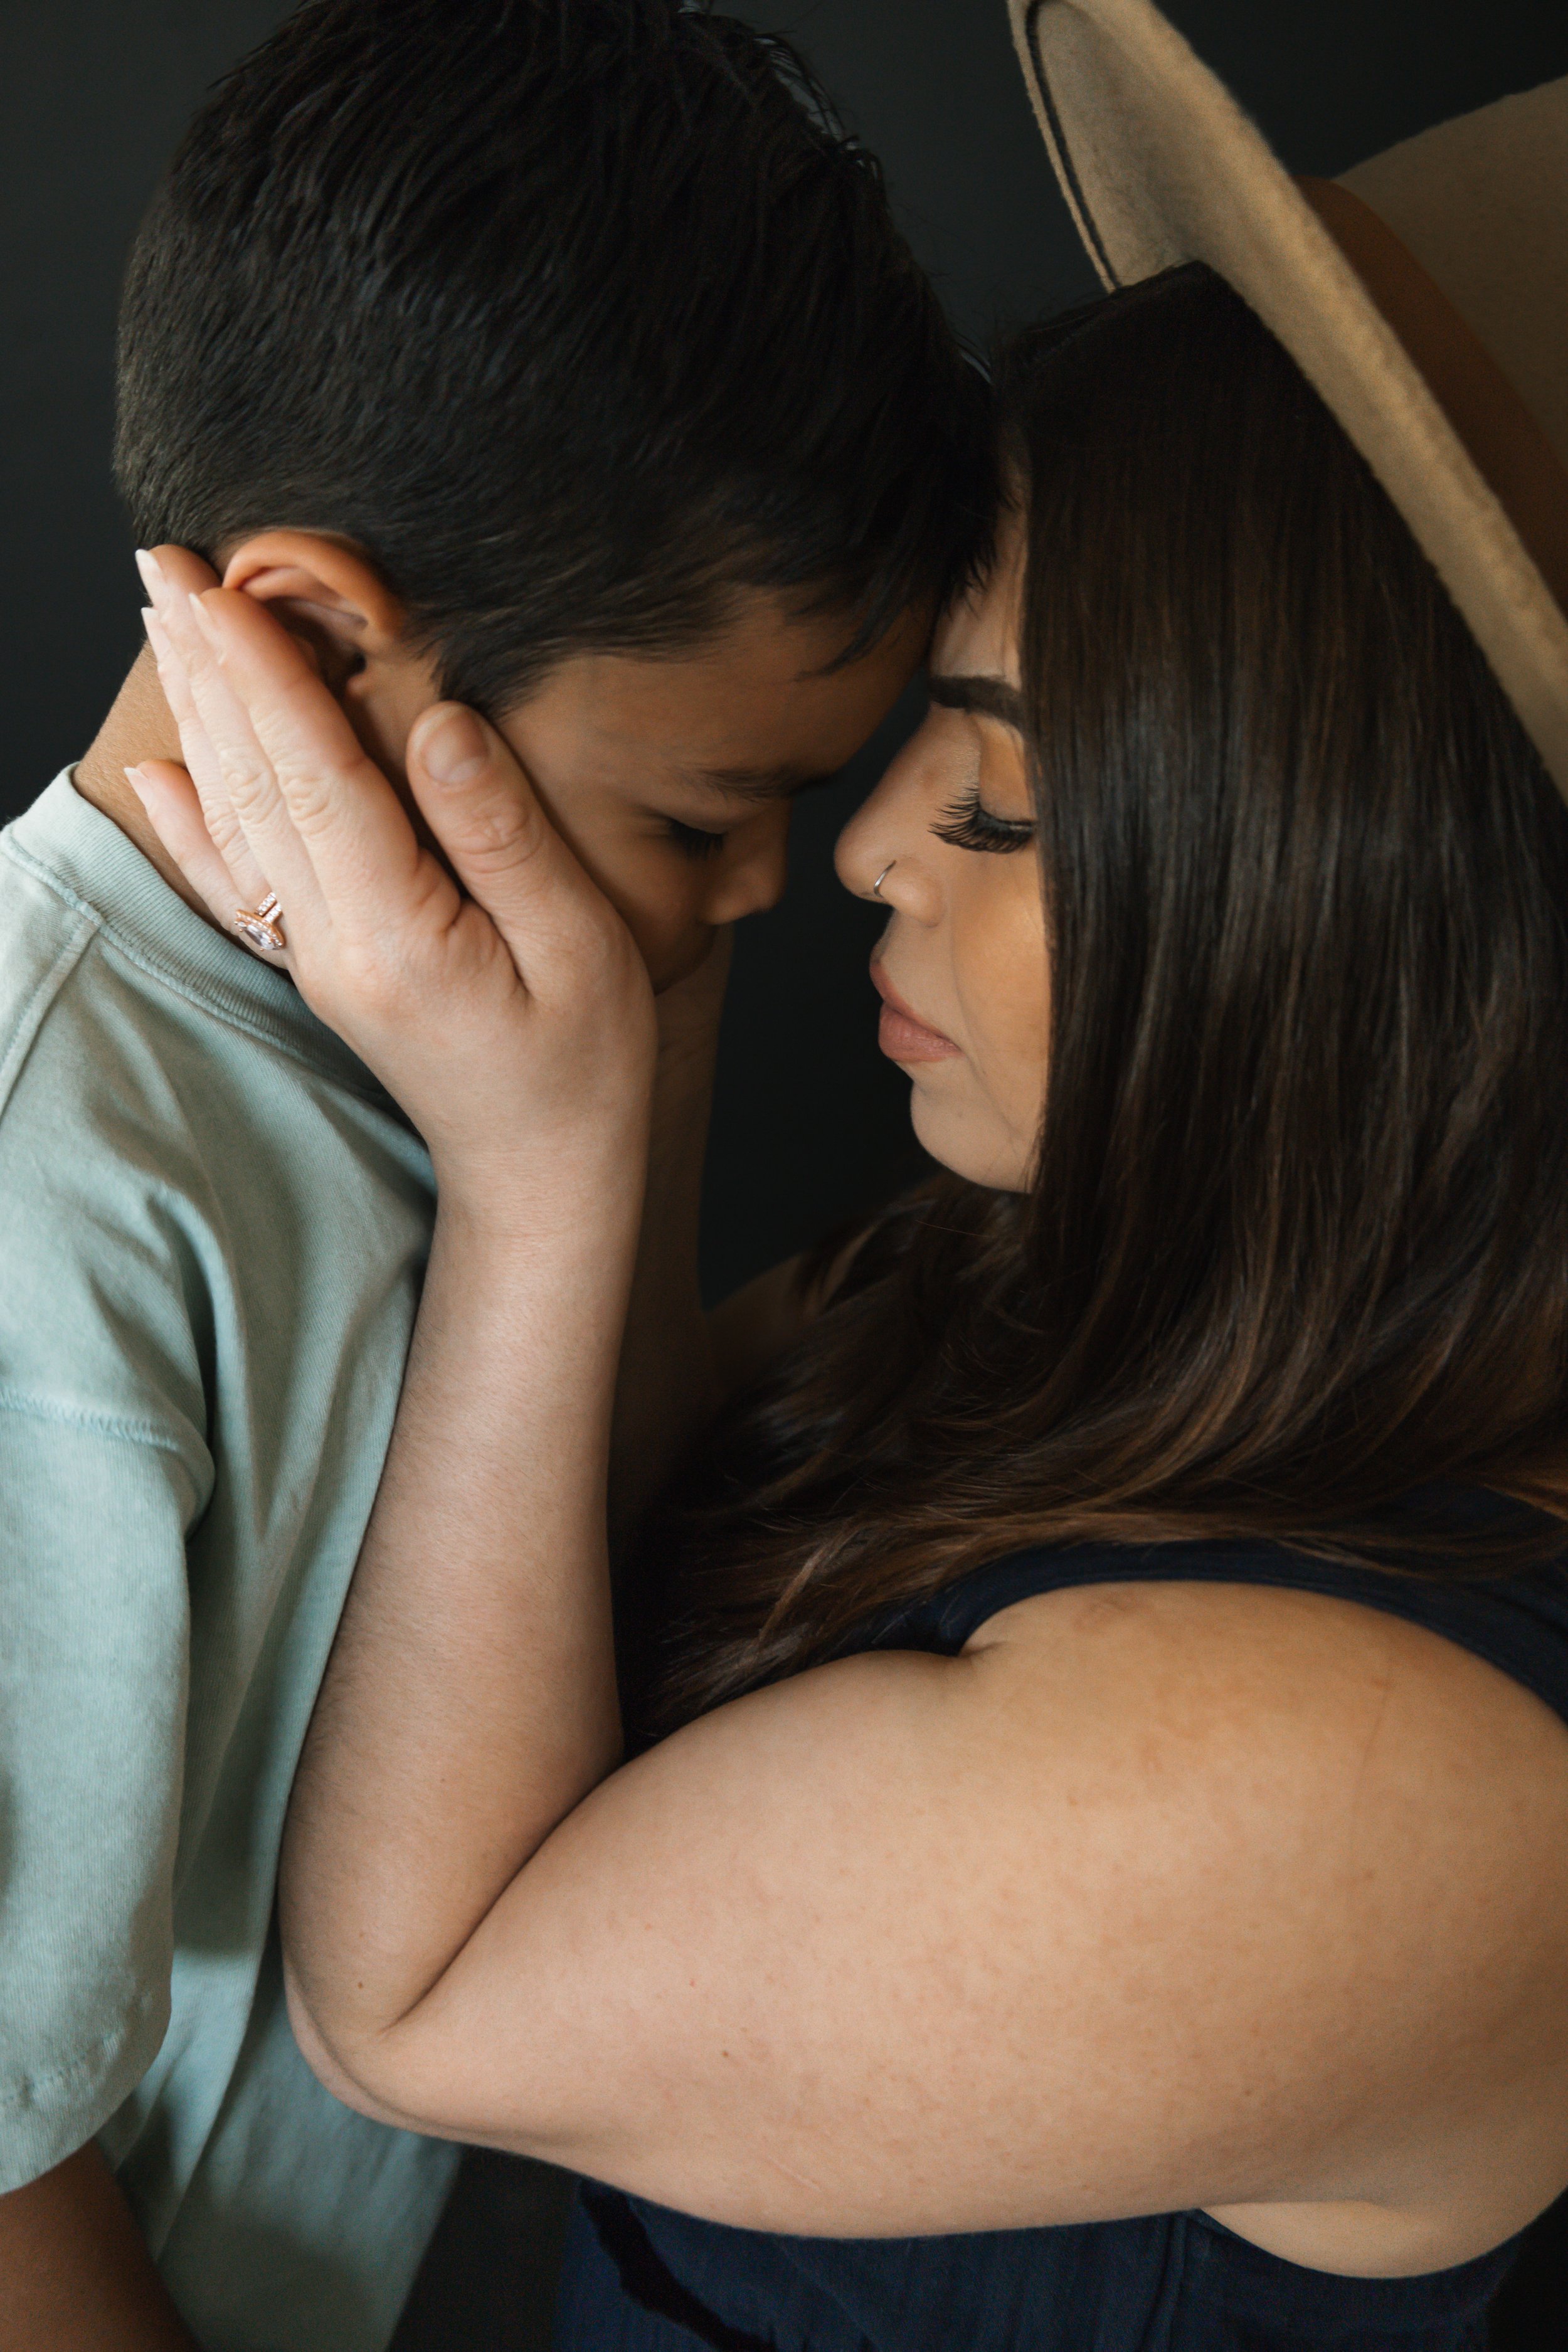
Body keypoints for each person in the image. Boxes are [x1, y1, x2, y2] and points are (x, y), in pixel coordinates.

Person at [129, 4, 1568, 2340]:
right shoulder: (1096, 1284)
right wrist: (636, 948)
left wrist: (543, 1164)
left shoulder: (1373, 1798)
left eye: (997, 798)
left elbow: (414, 2005)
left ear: (1348, 906)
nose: (871, 849)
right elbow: (603, 1546)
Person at [0, 1, 992, 2344]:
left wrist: (621, 1061)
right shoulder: (59, 1190)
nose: (776, 891)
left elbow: (576, 1536)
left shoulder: (449, 1040)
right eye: (697, 817)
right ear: (328, 643)